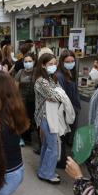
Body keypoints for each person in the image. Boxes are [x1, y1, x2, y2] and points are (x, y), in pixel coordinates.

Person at [34, 53, 68, 184]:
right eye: (50, 64)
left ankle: (44, 169)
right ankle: (46, 173)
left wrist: (60, 94)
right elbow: (55, 96)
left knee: (48, 145)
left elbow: (58, 93)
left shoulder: (50, 78)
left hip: (51, 116)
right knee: (52, 146)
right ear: (43, 65)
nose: (54, 66)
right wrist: (61, 94)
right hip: (46, 117)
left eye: (55, 63)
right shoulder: (41, 81)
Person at [55, 50, 81, 168]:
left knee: (65, 136)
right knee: (62, 137)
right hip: (65, 110)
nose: (70, 63)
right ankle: (60, 161)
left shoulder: (71, 73)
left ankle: (62, 159)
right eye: (67, 61)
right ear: (62, 62)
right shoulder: (59, 75)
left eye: (72, 61)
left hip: (72, 109)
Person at [15, 51, 36, 146]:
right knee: (22, 120)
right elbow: (15, 87)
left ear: (34, 61)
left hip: (34, 101)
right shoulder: (20, 72)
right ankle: (21, 138)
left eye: (30, 61)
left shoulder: (37, 72)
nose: (28, 63)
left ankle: (32, 139)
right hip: (22, 100)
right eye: (26, 61)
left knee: (32, 120)